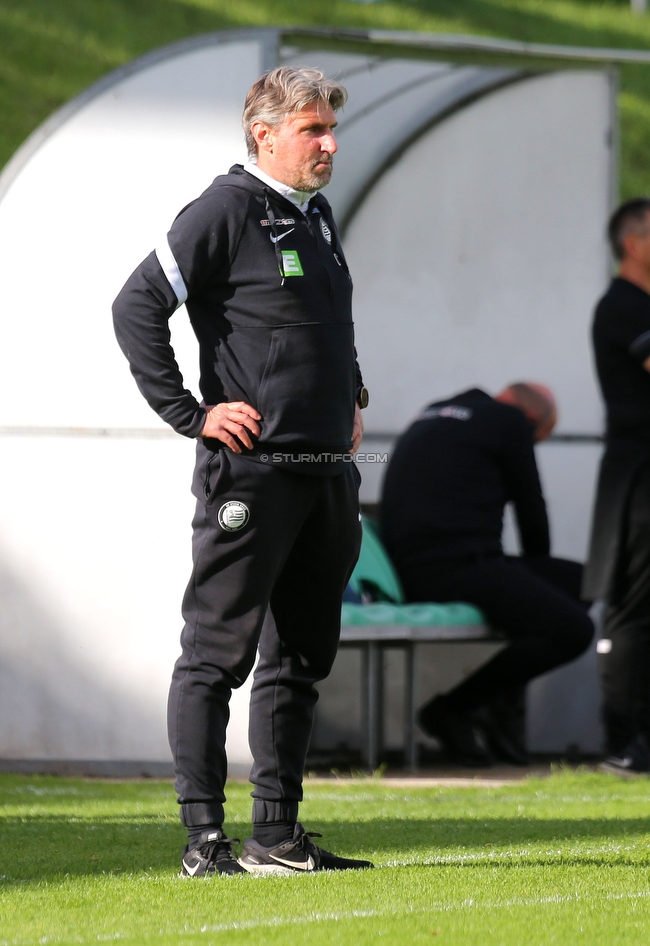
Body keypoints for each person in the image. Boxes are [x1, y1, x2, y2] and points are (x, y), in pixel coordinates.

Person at [112, 67, 372, 875]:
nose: (329, 144)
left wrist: (352, 391)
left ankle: (277, 836)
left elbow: (318, 325)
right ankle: (202, 840)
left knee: (299, 658)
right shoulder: (225, 208)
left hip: (325, 471)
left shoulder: (316, 214)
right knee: (216, 655)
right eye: (312, 130)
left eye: (331, 128)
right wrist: (193, 414)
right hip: (251, 477)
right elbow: (136, 305)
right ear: (264, 134)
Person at [381, 385, 594, 767]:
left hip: (417, 566)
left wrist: (534, 584)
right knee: (574, 629)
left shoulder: (435, 409)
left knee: (583, 581)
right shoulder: (510, 422)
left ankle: (502, 701)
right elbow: (531, 506)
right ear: (532, 420)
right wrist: (536, 578)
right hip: (455, 566)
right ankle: (454, 709)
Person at [584, 198, 650, 776]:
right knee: (631, 604)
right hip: (636, 477)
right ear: (633, 243)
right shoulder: (623, 306)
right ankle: (623, 740)